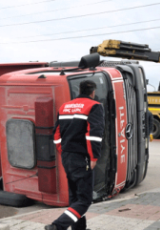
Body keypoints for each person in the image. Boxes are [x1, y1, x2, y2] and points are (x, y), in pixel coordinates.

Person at [45, 80, 105, 230]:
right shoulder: (94, 106)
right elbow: (94, 135)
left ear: (80, 90)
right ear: (92, 92)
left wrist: (62, 150)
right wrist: (93, 157)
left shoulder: (65, 106)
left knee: (75, 197)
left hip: (67, 156)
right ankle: (57, 226)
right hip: (82, 158)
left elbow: (56, 133)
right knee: (84, 200)